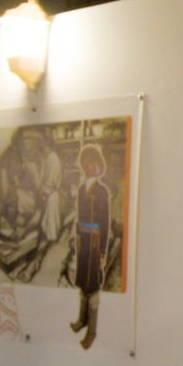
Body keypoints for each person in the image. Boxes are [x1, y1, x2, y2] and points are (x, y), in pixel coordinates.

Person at [70, 143, 111, 350]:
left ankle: (92, 331)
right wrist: (75, 236)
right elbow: (79, 217)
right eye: (86, 163)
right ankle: (82, 320)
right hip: (82, 243)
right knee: (82, 283)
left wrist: (103, 250)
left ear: (98, 166)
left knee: (93, 285)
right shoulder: (80, 190)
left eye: (92, 163)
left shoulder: (102, 191)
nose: (89, 167)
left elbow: (105, 222)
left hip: (95, 244)